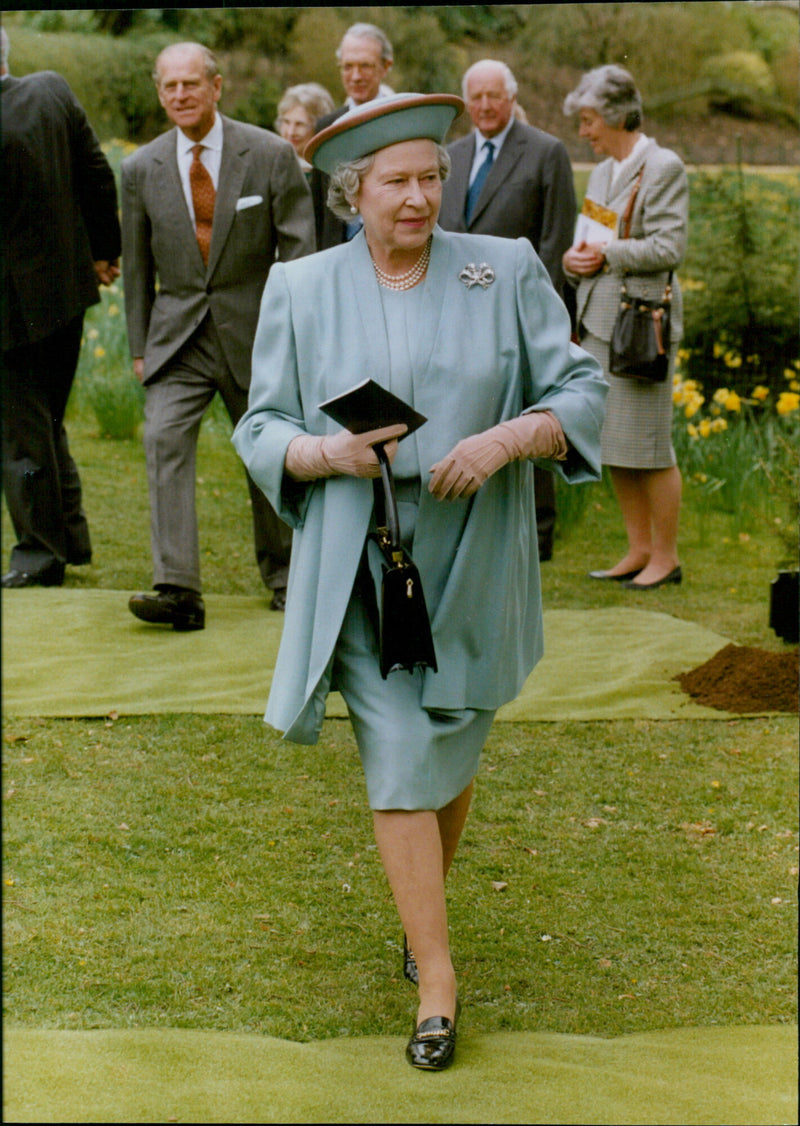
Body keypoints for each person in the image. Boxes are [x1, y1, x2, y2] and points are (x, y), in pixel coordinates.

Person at [232, 94, 606, 1070]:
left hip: (476, 554)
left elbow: (577, 388)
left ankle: (417, 911)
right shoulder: (301, 288)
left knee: (451, 731)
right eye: (394, 183)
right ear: (353, 194)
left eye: (429, 178)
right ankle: (435, 982)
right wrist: (320, 452)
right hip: (362, 560)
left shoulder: (502, 269)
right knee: (398, 748)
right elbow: (259, 424)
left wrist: (503, 438)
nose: (417, 198)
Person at [121, 42, 315, 629]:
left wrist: (298, 336)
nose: (180, 95)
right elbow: (135, 268)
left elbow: (301, 252)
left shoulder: (270, 153)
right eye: (169, 87)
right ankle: (178, 589)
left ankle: (286, 575)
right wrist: (136, 347)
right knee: (162, 439)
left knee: (268, 453)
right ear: (160, 93)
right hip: (176, 338)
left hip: (257, 335)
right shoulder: (140, 168)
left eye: (191, 85)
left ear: (216, 87)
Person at [438, 60, 578, 563]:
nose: (484, 106)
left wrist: (540, 320)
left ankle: (536, 534)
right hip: (453, 313)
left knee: (527, 417)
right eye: (475, 97)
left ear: (511, 97)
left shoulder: (545, 152)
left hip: (518, 314)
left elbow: (556, 242)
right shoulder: (450, 156)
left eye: (494, 96)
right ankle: (464, 519)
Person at [1, 26, 121, 589]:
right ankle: (69, 538)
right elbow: (97, 174)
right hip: (66, 293)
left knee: (22, 432)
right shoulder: (51, 89)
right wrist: (105, 253)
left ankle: (39, 555)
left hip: (12, 307)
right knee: (47, 419)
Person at [562, 64, 688, 590]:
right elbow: (590, 240)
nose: (584, 131)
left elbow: (668, 248)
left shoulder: (662, 167)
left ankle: (667, 558)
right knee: (617, 445)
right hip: (599, 323)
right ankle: (638, 549)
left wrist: (606, 254)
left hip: (640, 328)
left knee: (651, 448)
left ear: (614, 116)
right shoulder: (604, 174)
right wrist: (574, 261)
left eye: (589, 121)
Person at [309, 22, 394, 250]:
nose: (355, 76)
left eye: (365, 66)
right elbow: (319, 206)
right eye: (347, 67)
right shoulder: (327, 127)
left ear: (385, 67)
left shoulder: (402, 123)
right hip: (337, 254)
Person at [276, 83, 335, 177]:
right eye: (286, 122)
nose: (291, 132)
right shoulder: (272, 165)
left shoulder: (330, 171)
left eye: (300, 124)